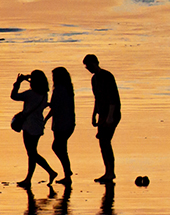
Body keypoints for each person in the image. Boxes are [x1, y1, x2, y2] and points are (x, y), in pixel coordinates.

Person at [11, 70, 58, 189]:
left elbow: (14, 96)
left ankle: (50, 172)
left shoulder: (30, 94)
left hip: (29, 125)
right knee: (32, 153)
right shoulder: (44, 94)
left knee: (31, 153)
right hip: (38, 125)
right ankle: (29, 179)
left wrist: (18, 82)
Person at [83, 54, 121, 184]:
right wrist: (94, 114)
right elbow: (97, 98)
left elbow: (113, 98)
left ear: (96, 63)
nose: (89, 68)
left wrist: (110, 117)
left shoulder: (107, 76)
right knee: (103, 143)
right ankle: (108, 171)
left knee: (105, 141)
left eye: (90, 66)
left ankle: (110, 172)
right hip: (102, 114)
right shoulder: (94, 79)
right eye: (87, 67)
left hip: (112, 113)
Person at [44, 66, 75, 186]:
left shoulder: (59, 89)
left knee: (57, 147)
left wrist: (45, 118)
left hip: (62, 123)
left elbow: (55, 107)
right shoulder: (68, 88)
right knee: (61, 148)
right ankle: (67, 174)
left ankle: (68, 173)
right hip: (69, 122)